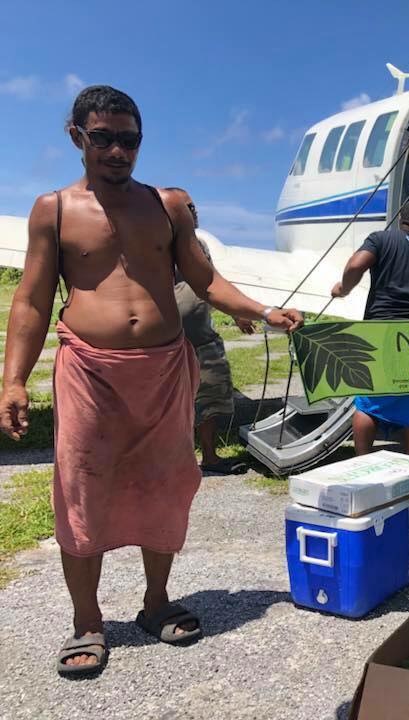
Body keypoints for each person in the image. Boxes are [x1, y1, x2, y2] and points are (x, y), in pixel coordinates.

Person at [0, 86, 303, 676]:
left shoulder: (167, 205)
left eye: (129, 140)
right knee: (81, 488)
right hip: (90, 370)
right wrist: (13, 381)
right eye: (103, 137)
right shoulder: (53, 209)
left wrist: (264, 310)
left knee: (167, 483)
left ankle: (156, 601)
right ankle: (87, 620)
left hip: (165, 370)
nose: (117, 150)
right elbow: (32, 301)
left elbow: (206, 279)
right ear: (77, 138)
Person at [331, 201, 409, 456]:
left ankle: (361, 460)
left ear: (402, 220)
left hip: (381, 331)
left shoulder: (380, 239)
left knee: (369, 403)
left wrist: (343, 289)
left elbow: (356, 265)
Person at [168, 187, 253, 475]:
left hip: (202, 340)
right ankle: (169, 460)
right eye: (186, 208)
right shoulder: (151, 244)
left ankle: (210, 456)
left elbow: (212, 284)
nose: (193, 212)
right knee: (167, 403)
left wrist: (238, 313)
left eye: (193, 207)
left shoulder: (199, 246)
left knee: (210, 399)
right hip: (165, 343)